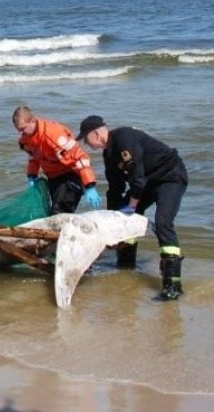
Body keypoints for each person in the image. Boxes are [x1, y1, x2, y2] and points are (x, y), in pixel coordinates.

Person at [76, 115, 188, 301]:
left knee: (163, 222)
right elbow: (115, 188)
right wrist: (112, 218)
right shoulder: (108, 154)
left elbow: (137, 178)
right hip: (148, 182)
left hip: (170, 177)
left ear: (95, 134)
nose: (86, 144)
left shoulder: (125, 139)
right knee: (124, 218)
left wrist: (132, 205)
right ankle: (126, 266)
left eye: (86, 139)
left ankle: (173, 285)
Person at [13, 106, 100, 214]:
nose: (21, 133)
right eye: (18, 130)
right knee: (53, 212)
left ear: (33, 121)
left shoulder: (54, 135)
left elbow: (80, 158)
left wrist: (89, 186)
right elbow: (33, 157)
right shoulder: (26, 138)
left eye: (23, 129)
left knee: (59, 211)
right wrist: (32, 176)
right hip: (54, 178)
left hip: (71, 175)